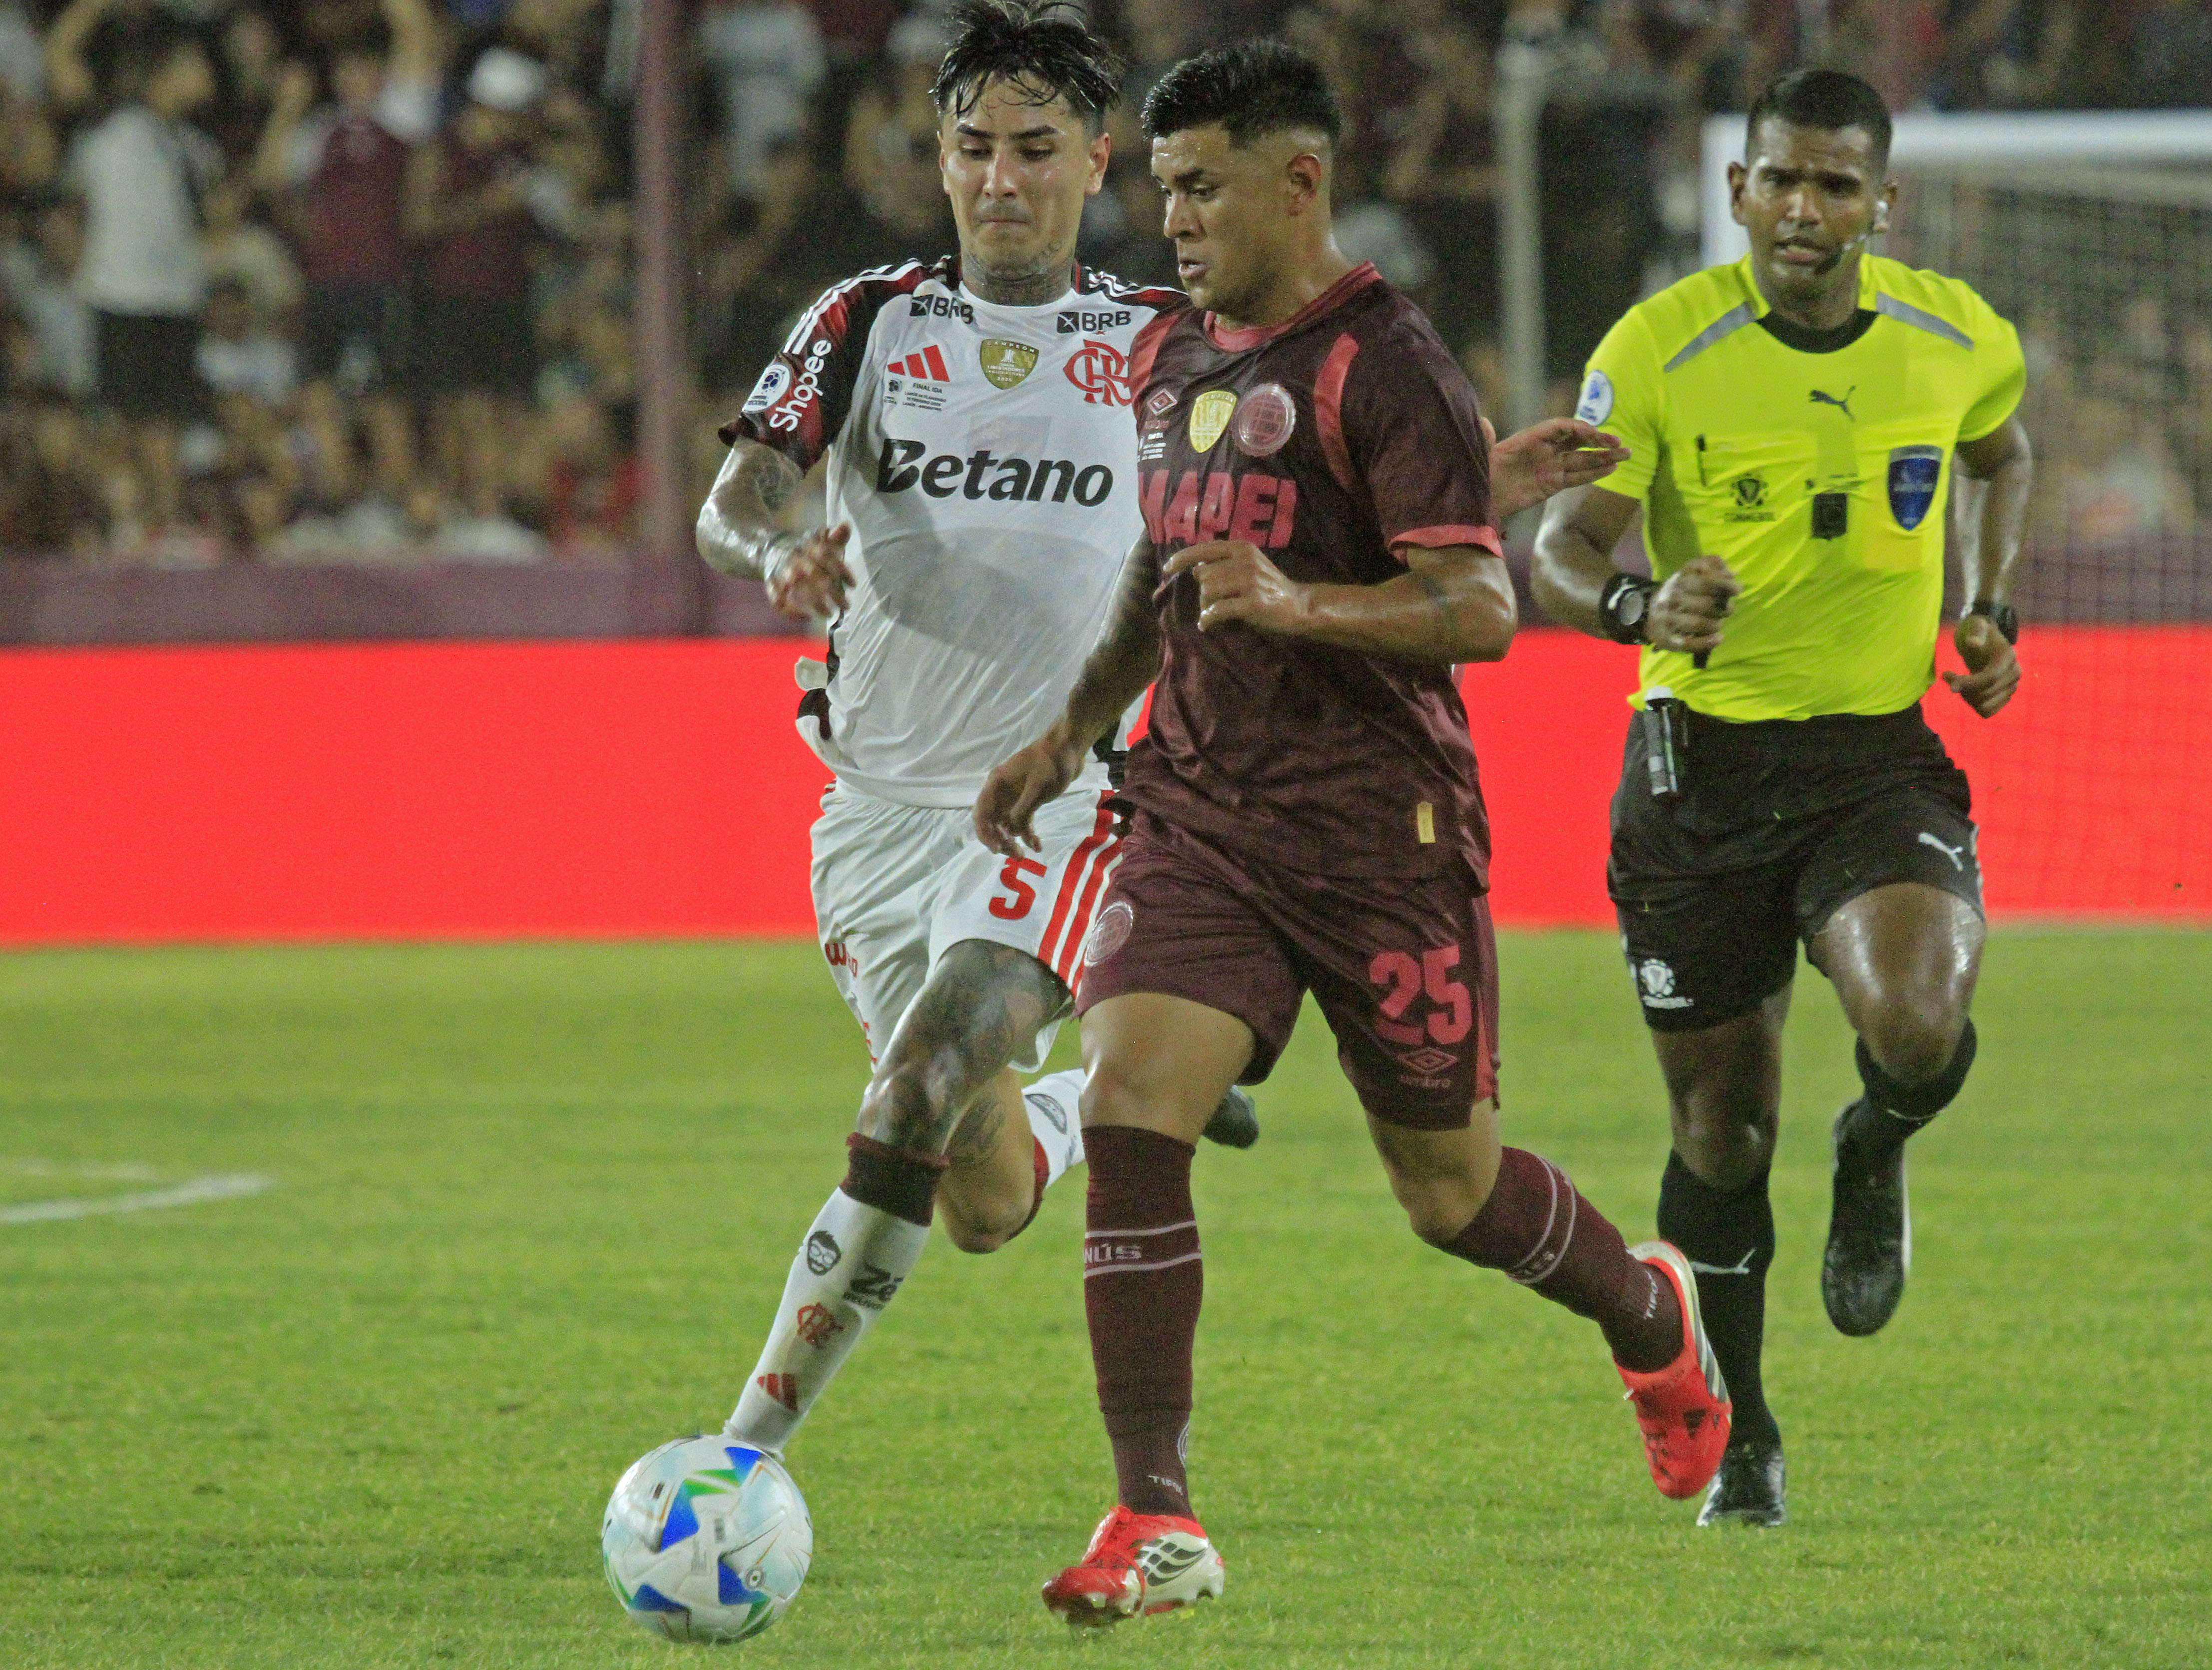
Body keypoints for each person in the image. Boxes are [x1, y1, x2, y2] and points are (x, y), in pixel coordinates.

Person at [975, 40, 1729, 1629]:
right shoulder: (1173, 354)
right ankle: (1154, 1515)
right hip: (1193, 806)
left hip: (1378, 833)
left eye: (1200, 186)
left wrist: (1298, 599)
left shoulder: (1387, 360)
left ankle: (1648, 1312)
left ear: (1297, 179)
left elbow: (1481, 606)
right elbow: (1167, 568)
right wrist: (1066, 730)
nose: (1169, 220)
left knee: (1449, 1194)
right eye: (1162, 187)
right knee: (1126, 1108)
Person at [694, 0, 1262, 1469]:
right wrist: (778, 556)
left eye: (1031, 148)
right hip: (874, 815)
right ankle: (1096, 1102)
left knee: (918, 1083)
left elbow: (1302, 473)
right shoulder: (869, 319)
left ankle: (737, 1459)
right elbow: (740, 495)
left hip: (1061, 798)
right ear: (936, 163)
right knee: (986, 1194)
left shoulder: (1163, 341)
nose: (999, 179)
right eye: (971, 150)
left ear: (1094, 161)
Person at [1530, 68, 2033, 1529]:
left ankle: (1875, 1142)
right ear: (1738, 190)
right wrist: (1636, 601)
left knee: (1918, 1020)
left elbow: (2006, 450)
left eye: (1833, 185)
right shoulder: (1664, 347)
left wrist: (1988, 609)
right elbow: (1560, 546)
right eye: (1777, 181)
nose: (1801, 210)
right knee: (1719, 1136)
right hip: (1701, 775)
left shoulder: (1956, 337)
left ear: (1886, 203)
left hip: (1875, 758)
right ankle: (1744, 1431)